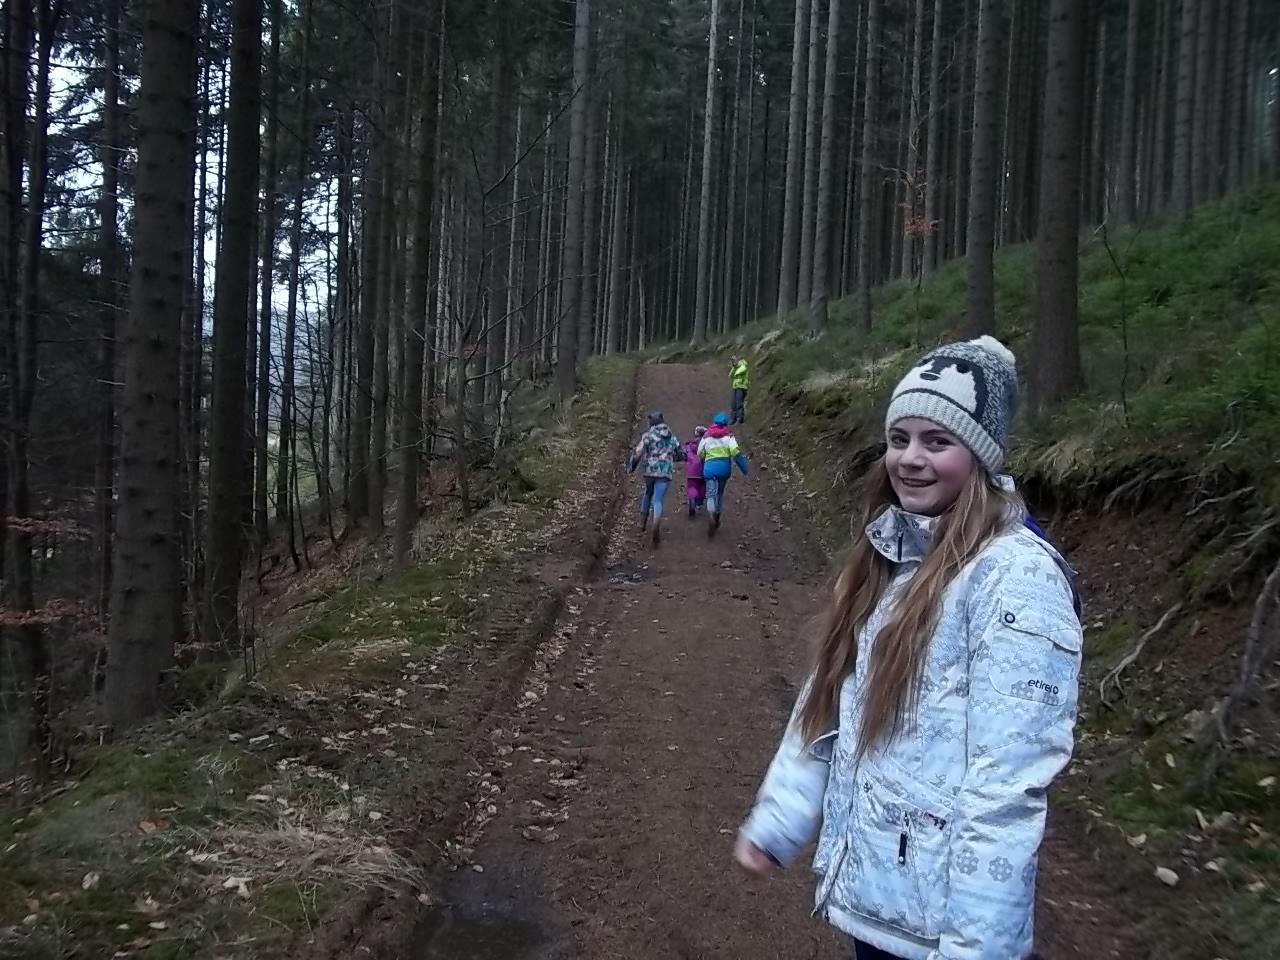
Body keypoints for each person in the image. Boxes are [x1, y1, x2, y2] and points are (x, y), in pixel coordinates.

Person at [734, 336, 1082, 960]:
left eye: (937, 441)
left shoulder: (1015, 577)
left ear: (980, 455)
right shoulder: (892, 556)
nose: (911, 459)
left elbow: (1008, 785)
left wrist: (977, 951)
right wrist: (780, 821)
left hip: (940, 929)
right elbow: (830, 699)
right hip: (882, 906)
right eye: (900, 439)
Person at [627, 411, 682, 546]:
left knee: (648, 493)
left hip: (649, 471)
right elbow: (680, 452)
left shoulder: (648, 436)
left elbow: (638, 453)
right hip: (664, 471)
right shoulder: (671, 436)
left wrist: (632, 466)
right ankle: (656, 524)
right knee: (658, 499)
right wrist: (673, 458)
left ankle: (642, 523)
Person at [697, 412, 749, 534]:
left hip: (710, 468)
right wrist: (744, 469)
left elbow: (700, 453)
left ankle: (711, 515)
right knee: (720, 493)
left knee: (710, 494)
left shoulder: (706, 436)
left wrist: (705, 457)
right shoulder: (729, 436)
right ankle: (717, 516)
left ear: (714, 423)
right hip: (724, 468)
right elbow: (736, 453)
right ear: (725, 424)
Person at [684, 425, 708, 518]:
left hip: (691, 471)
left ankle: (692, 500)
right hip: (702, 469)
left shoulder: (690, 445)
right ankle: (699, 502)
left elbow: (685, 455)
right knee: (702, 486)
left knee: (692, 486)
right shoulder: (706, 444)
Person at [729, 356, 750, 424]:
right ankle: (733, 418)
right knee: (733, 403)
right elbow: (730, 375)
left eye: (735, 361)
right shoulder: (736, 367)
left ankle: (740, 418)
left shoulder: (743, 366)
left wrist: (736, 366)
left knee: (739, 403)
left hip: (742, 387)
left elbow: (739, 372)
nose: (734, 362)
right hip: (735, 386)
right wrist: (733, 367)